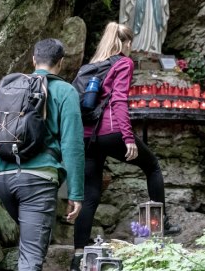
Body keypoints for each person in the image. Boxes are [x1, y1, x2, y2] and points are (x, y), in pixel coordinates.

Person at [70, 22, 180, 271]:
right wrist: (128, 137)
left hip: (87, 136)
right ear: (124, 43)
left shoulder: (89, 67)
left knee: (90, 194)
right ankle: (160, 224)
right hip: (111, 131)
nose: (131, 47)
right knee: (152, 166)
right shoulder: (123, 63)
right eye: (130, 42)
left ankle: (78, 258)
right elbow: (119, 100)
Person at [0, 39, 85, 271]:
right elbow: (72, 145)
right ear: (61, 63)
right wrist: (76, 193)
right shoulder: (65, 92)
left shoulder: (8, 89)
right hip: (37, 183)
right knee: (31, 259)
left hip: (3, 180)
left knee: (31, 248)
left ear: (34, 60)